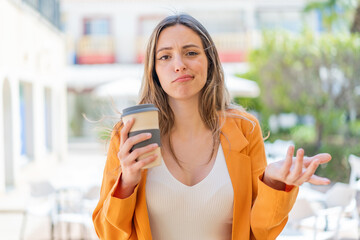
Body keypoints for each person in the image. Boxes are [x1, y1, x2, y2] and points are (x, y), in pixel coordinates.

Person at [92, 14, 331, 240]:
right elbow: (108, 234)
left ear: (210, 62)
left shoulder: (244, 130)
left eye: (191, 52)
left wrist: (272, 182)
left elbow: (260, 233)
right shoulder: (130, 136)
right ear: (153, 71)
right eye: (165, 56)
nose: (179, 65)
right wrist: (127, 183)